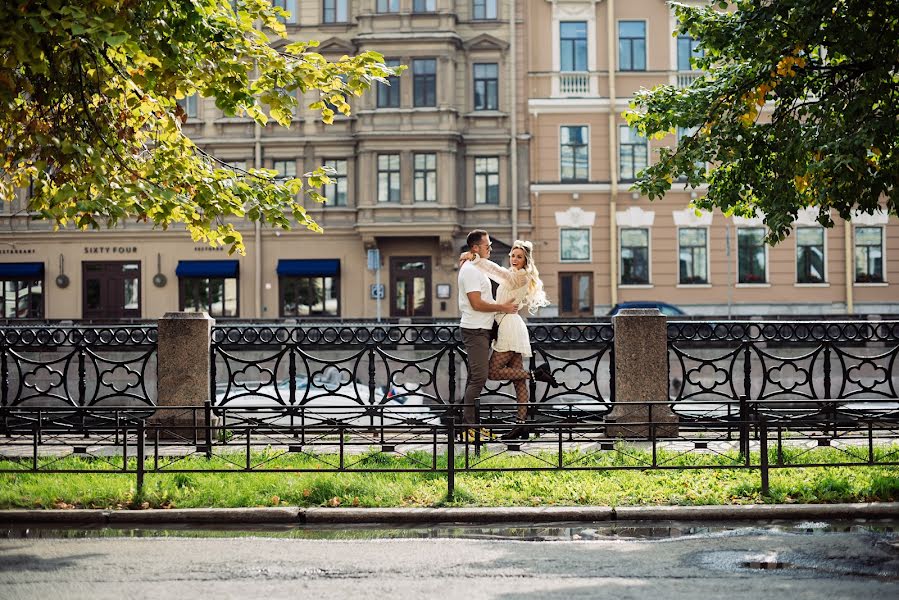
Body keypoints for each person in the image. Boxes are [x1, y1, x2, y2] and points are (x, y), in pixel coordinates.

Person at [460, 239, 559, 440]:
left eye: (519, 257)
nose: (514, 259)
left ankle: (536, 374)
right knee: (517, 381)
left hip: (509, 326)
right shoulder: (515, 275)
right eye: (512, 256)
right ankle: (521, 426)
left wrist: (476, 258)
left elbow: (496, 272)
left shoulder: (521, 277)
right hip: (509, 324)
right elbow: (500, 272)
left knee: (493, 372)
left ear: (526, 260)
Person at [458, 229, 518, 440]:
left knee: (475, 378)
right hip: (475, 330)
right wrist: (502, 307)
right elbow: (476, 303)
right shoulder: (471, 271)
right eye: (487, 245)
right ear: (475, 247)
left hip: (482, 329)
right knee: (479, 378)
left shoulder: (476, 266)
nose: (490, 248)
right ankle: (469, 429)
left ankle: (470, 427)